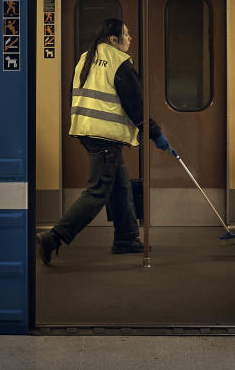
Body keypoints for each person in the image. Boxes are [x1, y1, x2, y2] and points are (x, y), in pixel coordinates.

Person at [37, 18, 175, 265]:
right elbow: (136, 106)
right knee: (98, 191)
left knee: (120, 187)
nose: (130, 39)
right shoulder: (119, 62)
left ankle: (126, 238)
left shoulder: (85, 57)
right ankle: (54, 237)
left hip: (87, 131)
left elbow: (73, 94)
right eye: (126, 34)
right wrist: (156, 134)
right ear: (113, 40)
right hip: (104, 137)